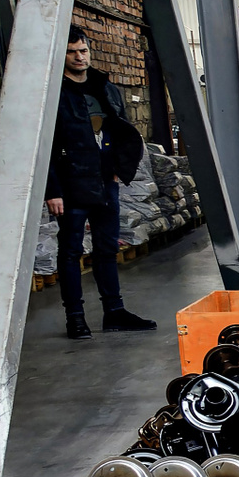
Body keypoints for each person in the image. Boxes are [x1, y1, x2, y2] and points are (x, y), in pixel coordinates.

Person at [46, 27, 153, 339]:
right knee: (70, 252)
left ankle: (114, 312)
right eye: (72, 52)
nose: (79, 57)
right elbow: (45, 146)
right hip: (71, 185)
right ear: (62, 55)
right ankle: (75, 318)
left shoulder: (104, 88)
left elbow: (121, 130)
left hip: (105, 182)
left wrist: (119, 168)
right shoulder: (54, 93)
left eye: (83, 51)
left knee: (107, 249)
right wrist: (52, 191)